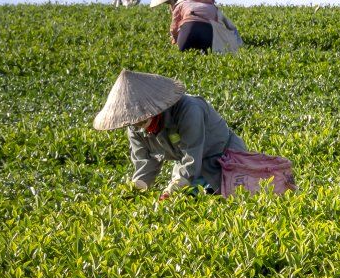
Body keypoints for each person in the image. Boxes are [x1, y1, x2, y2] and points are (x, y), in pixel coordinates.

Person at [92, 69, 248, 196]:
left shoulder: (189, 110)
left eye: (140, 119)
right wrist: (135, 190)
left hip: (223, 159)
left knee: (230, 198)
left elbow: (191, 156)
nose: (138, 125)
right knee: (182, 201)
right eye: (133, 121)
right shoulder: (135, 128)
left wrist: (176, 186)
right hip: (189, 168)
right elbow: (145, 162)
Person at [159, 0, 242, 53]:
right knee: (204, 55)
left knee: (184, 54)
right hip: (208, 32)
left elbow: (174, 28)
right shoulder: (213, 7)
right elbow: (229, 25)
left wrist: (175, 40)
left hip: (188, 30)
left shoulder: (182, 4)